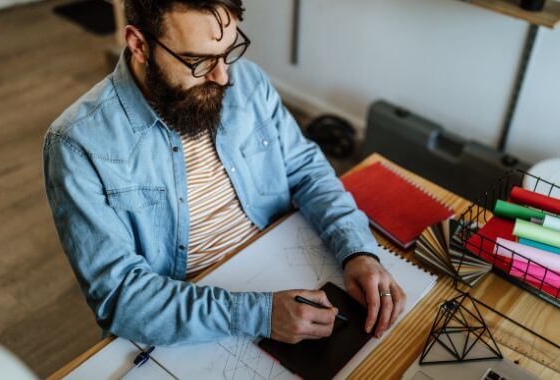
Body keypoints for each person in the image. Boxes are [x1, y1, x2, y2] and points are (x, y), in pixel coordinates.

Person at [43, 0, 406, 346]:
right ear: (139, 44)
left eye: (229, 51)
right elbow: (120, 297)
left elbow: (306, 169)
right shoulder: (77, 143)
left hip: (284, 270)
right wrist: (257, 315)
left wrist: (356, 250)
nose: (222, 77)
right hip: (191, 322)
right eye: (198, 61)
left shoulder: (247, 81)